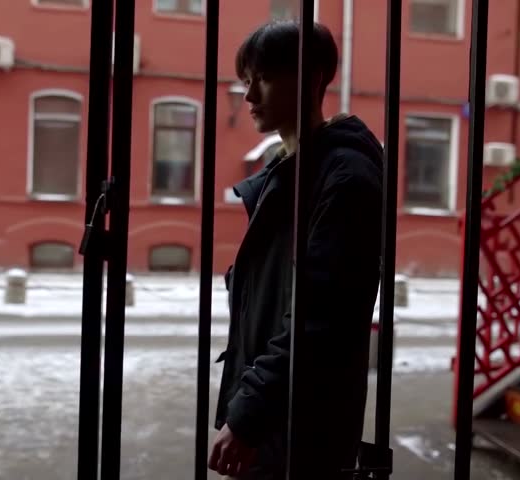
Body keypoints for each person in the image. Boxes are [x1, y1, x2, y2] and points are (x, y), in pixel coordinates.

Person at [208, 20, 384, 479]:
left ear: (311, 77)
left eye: (262, 78)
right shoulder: (291, 171)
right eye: (246, 81)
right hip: (278, 418)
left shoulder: (343, 177)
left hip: (301, 428)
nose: (248, 97)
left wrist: (247, 415)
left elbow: (318, 318)